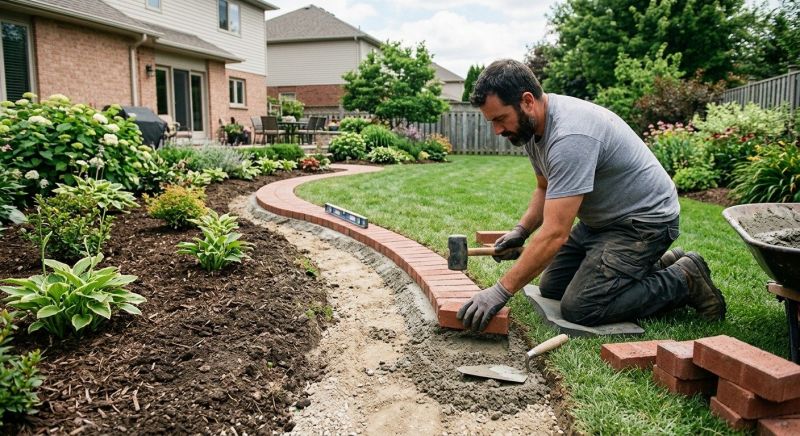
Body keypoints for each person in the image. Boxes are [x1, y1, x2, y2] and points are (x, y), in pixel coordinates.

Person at [457, 59, 726, 332]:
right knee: (553, 287)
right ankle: (662, 264)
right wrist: (521, 230)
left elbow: (555, 234)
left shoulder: (569, 136)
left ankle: (685, 278)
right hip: (601, 222)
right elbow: (544, 187)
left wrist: (500, 291)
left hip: (643, 224)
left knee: (582, 307)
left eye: (500, 119)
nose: (498, 130)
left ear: (527, 101)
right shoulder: (533, 128)